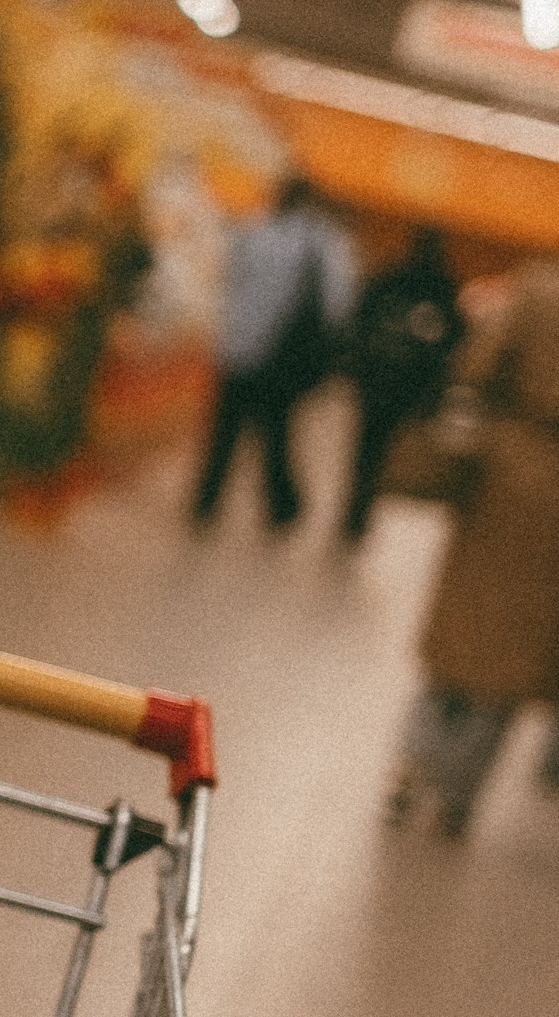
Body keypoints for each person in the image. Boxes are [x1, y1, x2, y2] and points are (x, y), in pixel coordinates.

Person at [386, 258, 559, 834]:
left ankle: (412, 765)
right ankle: (459, 792)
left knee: (459, 633)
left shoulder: (535, 290)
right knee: (518, 653)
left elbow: (477, 363)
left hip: (504, 477)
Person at [188, 173, 357, 532]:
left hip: (238, 349)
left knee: (224, 432)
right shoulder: (325, 244)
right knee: (277, 433)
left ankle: (207, 502)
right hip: (286, 357)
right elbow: (337, 307)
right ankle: (281, 507)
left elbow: (227, 284)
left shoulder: (252, 233)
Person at [342, 225, 465, 542]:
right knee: (385, 447)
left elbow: (360, 316)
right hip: (408, 385)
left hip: (375, 377)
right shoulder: (443, 287)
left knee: (366, 444)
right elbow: (455, 337)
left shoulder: (390, 276)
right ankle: (364, 507)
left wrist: (357, 362)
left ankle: (355, 509)